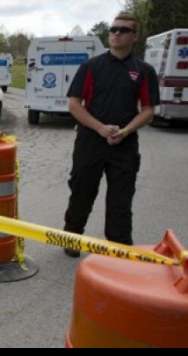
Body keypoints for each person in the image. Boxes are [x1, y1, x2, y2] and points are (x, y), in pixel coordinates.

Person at [63, 13, 161, 258]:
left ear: (134, 36)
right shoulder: (91, 67)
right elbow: (74, 104)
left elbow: (148, 110)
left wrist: (125, 131)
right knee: (82, 191)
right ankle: (72, 236)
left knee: (121, 199)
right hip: (90, 141)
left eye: (124, 30)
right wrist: (99, 128)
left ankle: (119, 248)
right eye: (113, 29)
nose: (116, 33)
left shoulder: (143, 71)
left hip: (124, 145)